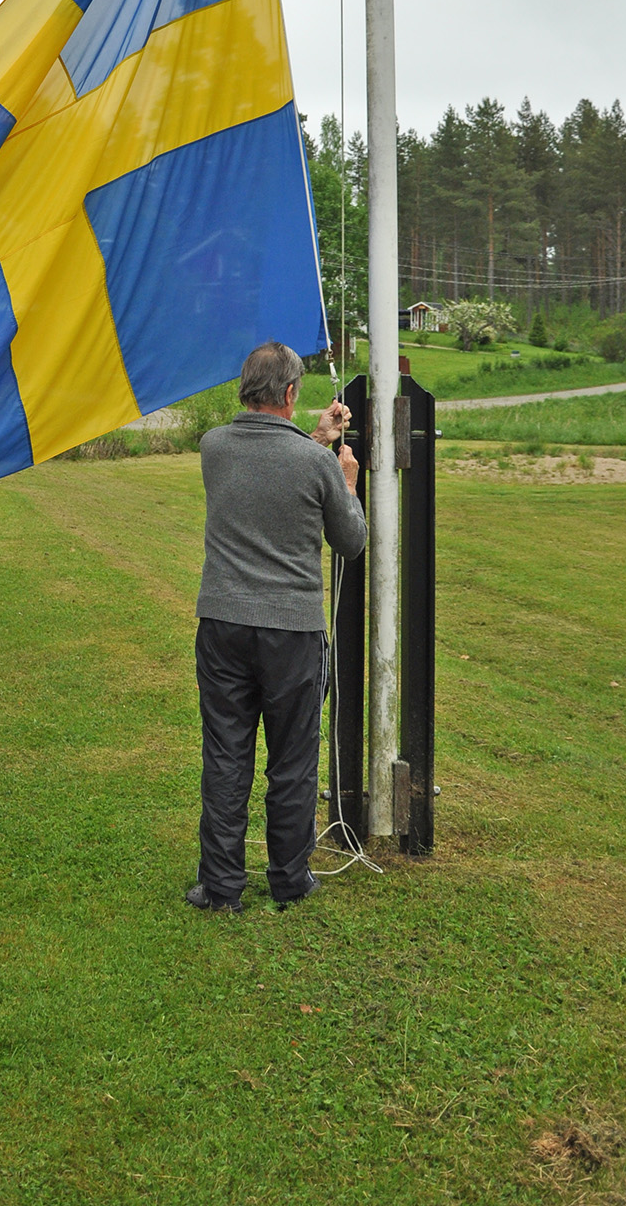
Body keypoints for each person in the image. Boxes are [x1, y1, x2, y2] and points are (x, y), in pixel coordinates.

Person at [186, 339, 366, 915]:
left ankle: (220, 888)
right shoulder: (317, 464)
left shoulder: (213, 446)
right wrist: (347, 483)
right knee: (291, 760)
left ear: (246, 388)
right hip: (290, 631)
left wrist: (315, 440)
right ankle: (290, 879)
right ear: (291, 392)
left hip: (221, 624)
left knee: (225, 754)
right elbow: (351, 541)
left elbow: (267, 465)